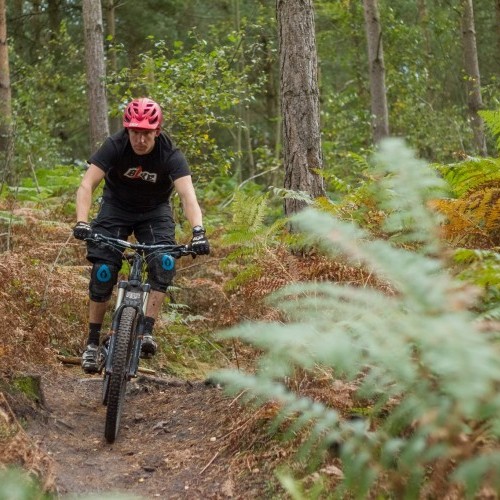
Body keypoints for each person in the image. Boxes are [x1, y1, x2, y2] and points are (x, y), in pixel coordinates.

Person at [73, 97, 210, 373]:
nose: (140, 139)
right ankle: (91, 344)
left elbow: (187, 195)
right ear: (128, 129)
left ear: (157, 131)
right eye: (135, 132)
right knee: (103, 270)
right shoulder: (115, 145)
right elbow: (87, 184)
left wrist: (198, 231)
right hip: (116, 207)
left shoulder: (170, 154)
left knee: (164, 262)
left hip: (154, 211)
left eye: (146, 133)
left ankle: (146, 331)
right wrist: (82, 221)